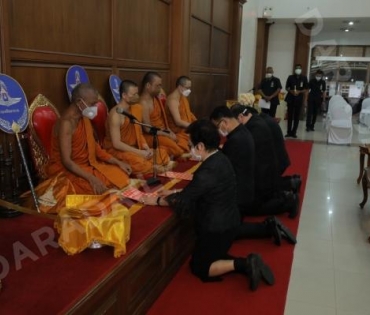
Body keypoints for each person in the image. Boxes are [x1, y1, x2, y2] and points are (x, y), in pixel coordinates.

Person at [140, 119, 275, 291]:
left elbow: (184, 200)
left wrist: (157, 200)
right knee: (211, 256)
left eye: (191, 145)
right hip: (230, 220)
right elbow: (202, 190)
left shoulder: (207, 170)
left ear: (201, 146)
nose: (190, 150)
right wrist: (174, 192)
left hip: (217, 227)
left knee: (199, 267)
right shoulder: (220, 157)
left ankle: (245, 264)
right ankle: (241, 261)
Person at [210, 106, 296, 245]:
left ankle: (270, 225)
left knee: (226, 230)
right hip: (252, 182)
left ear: (224, 122)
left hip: (244, 191)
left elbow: (226, 170)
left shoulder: (237, 139)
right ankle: (285, 199)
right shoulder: (244, 131)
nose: (218, 131)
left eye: (217, 126)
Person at [230, 104, 299, 219]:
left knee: (248, 207)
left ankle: (288, 201)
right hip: (272, 165)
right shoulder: (257, 120)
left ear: (240, 117)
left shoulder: (254, 128)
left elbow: (247, 158)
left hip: (269, 171)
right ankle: (289, 186)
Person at [104, 80, 172, 175]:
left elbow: (138, 133)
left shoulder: (136, 108)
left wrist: (147, 149)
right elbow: (116, 144)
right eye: (134, 94)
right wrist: (139, 153)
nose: (137, 97)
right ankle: (150, 167)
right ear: (124, 95)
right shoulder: (115, 115)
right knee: (138, 162)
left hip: (135, 148)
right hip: (118, 150)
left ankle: (150, 166)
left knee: (162, 153)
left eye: (137, 93)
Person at [140, 71, 185, 158]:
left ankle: (168, 155)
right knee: (177, 149)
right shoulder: (143, 103)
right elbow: (147, 129)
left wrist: (169, 131)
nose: (160, 88)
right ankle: (168, 155)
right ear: (148, 85)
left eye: (160, 85)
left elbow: (163, 119)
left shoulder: (156, 98)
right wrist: (166, 134)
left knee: (181, 139)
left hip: (162, 131)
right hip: (151, 136)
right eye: (158, 86)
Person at [166, 75, 197, 152]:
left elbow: (188, 113)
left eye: (190, 88)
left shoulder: (182, 97)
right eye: (187, 88)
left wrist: (197, 122)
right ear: (180, 87)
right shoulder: (173, 100)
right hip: (178, 132)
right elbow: (178, 121)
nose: (189, 90)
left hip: (187, 128)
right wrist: (194, 126)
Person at [285, 64, 308, 138]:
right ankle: (289, 132)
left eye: (299, 68)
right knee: (290, 116)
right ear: (294, 69)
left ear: (301, 70)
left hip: (299, 99)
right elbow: (287, 87)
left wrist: (299, 92)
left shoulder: (304, 78)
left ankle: (294, 132)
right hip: (290, 98)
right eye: (297, 68)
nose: (298, 69)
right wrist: (291, 91)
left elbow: (306, 89)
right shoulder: (290, 77)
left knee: (296, 116)